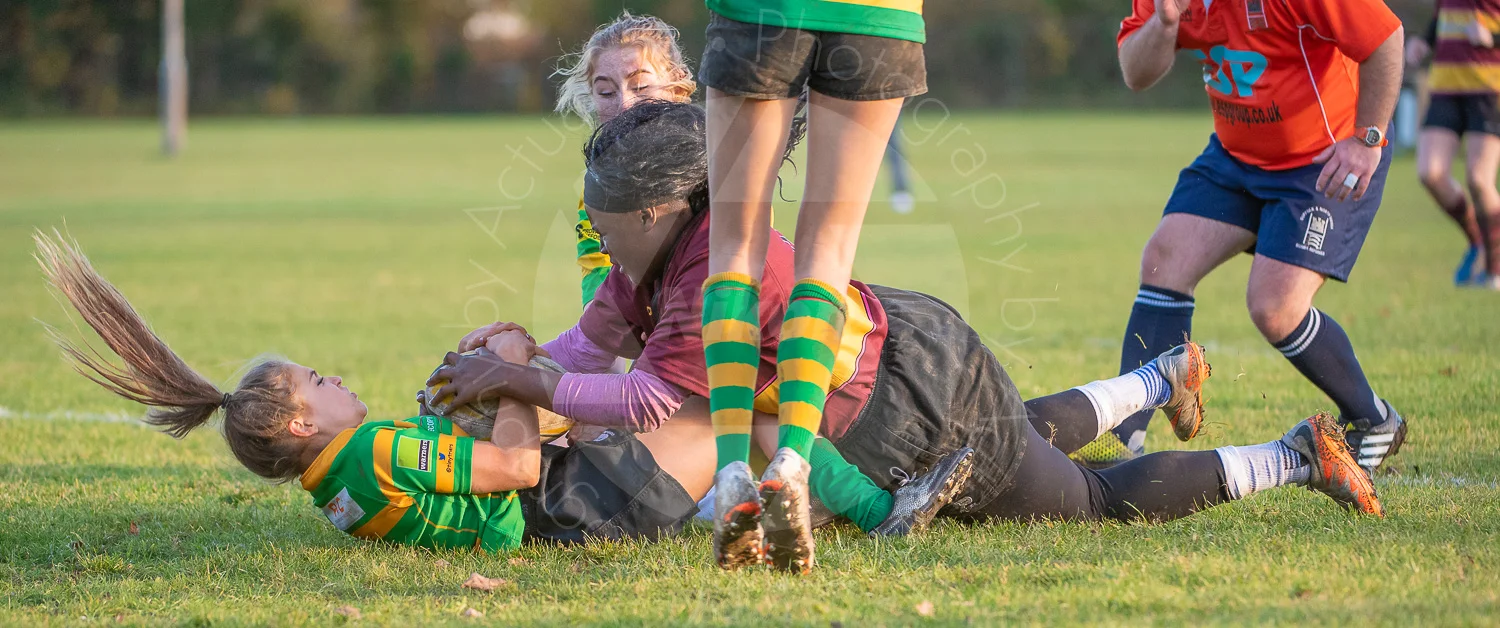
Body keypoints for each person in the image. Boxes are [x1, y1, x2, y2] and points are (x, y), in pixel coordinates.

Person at [435, 102, 1385, 573]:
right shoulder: (674, 248)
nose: (596, 232)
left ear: (660, 208)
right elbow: (597, 336)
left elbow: (652, 400)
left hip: (905, 400)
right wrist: (517, 361)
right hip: (901, 366)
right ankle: (1158, 375)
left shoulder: (711, 265)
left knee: (1087, 506)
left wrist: (519, 386)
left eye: (608, 216)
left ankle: (1295, 457)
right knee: (1021, 444)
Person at [34, 230, 974, 550]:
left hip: (567, 501)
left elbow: (444, 465)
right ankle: (883, 508)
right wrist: (522, 374)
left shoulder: (342, 478)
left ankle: (833, 502)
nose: (339, 378)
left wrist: (482, 385)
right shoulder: (369, 448)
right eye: (323, 379)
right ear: (296, 418)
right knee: (734, 403)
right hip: (573, 509)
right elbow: (517, 464)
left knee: (703, 404)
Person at [1073, 0, 1410, 473]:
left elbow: (1386, 38)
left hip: (1324, 158)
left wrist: (1367, 138)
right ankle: (1123, 442)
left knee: (1275, 308)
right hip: (1237, 156)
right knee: (1164, 260)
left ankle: (1374, 419)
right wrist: (1166, 21)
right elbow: (1136, 71)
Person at [693, 0, 931, 572]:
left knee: (734, 249)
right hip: (878, 18)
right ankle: (794, 466)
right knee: (827, 251)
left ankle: (732, 471)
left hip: (763, 12)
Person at [554, 13, 697, 306]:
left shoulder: (717, 166)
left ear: (677, 89)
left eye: (641, 87)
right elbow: (598, 274)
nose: (625, 104)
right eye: (606, 92)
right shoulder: (597, 186)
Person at [1407, 10, 1500, 289]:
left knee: (1479, 181)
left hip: (1488, 87)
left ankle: (1495, 270)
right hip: (1446, 86)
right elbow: (1446, 12)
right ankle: (1478, 241)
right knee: (1430, 173)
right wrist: (1425, 40)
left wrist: (1493, 37)